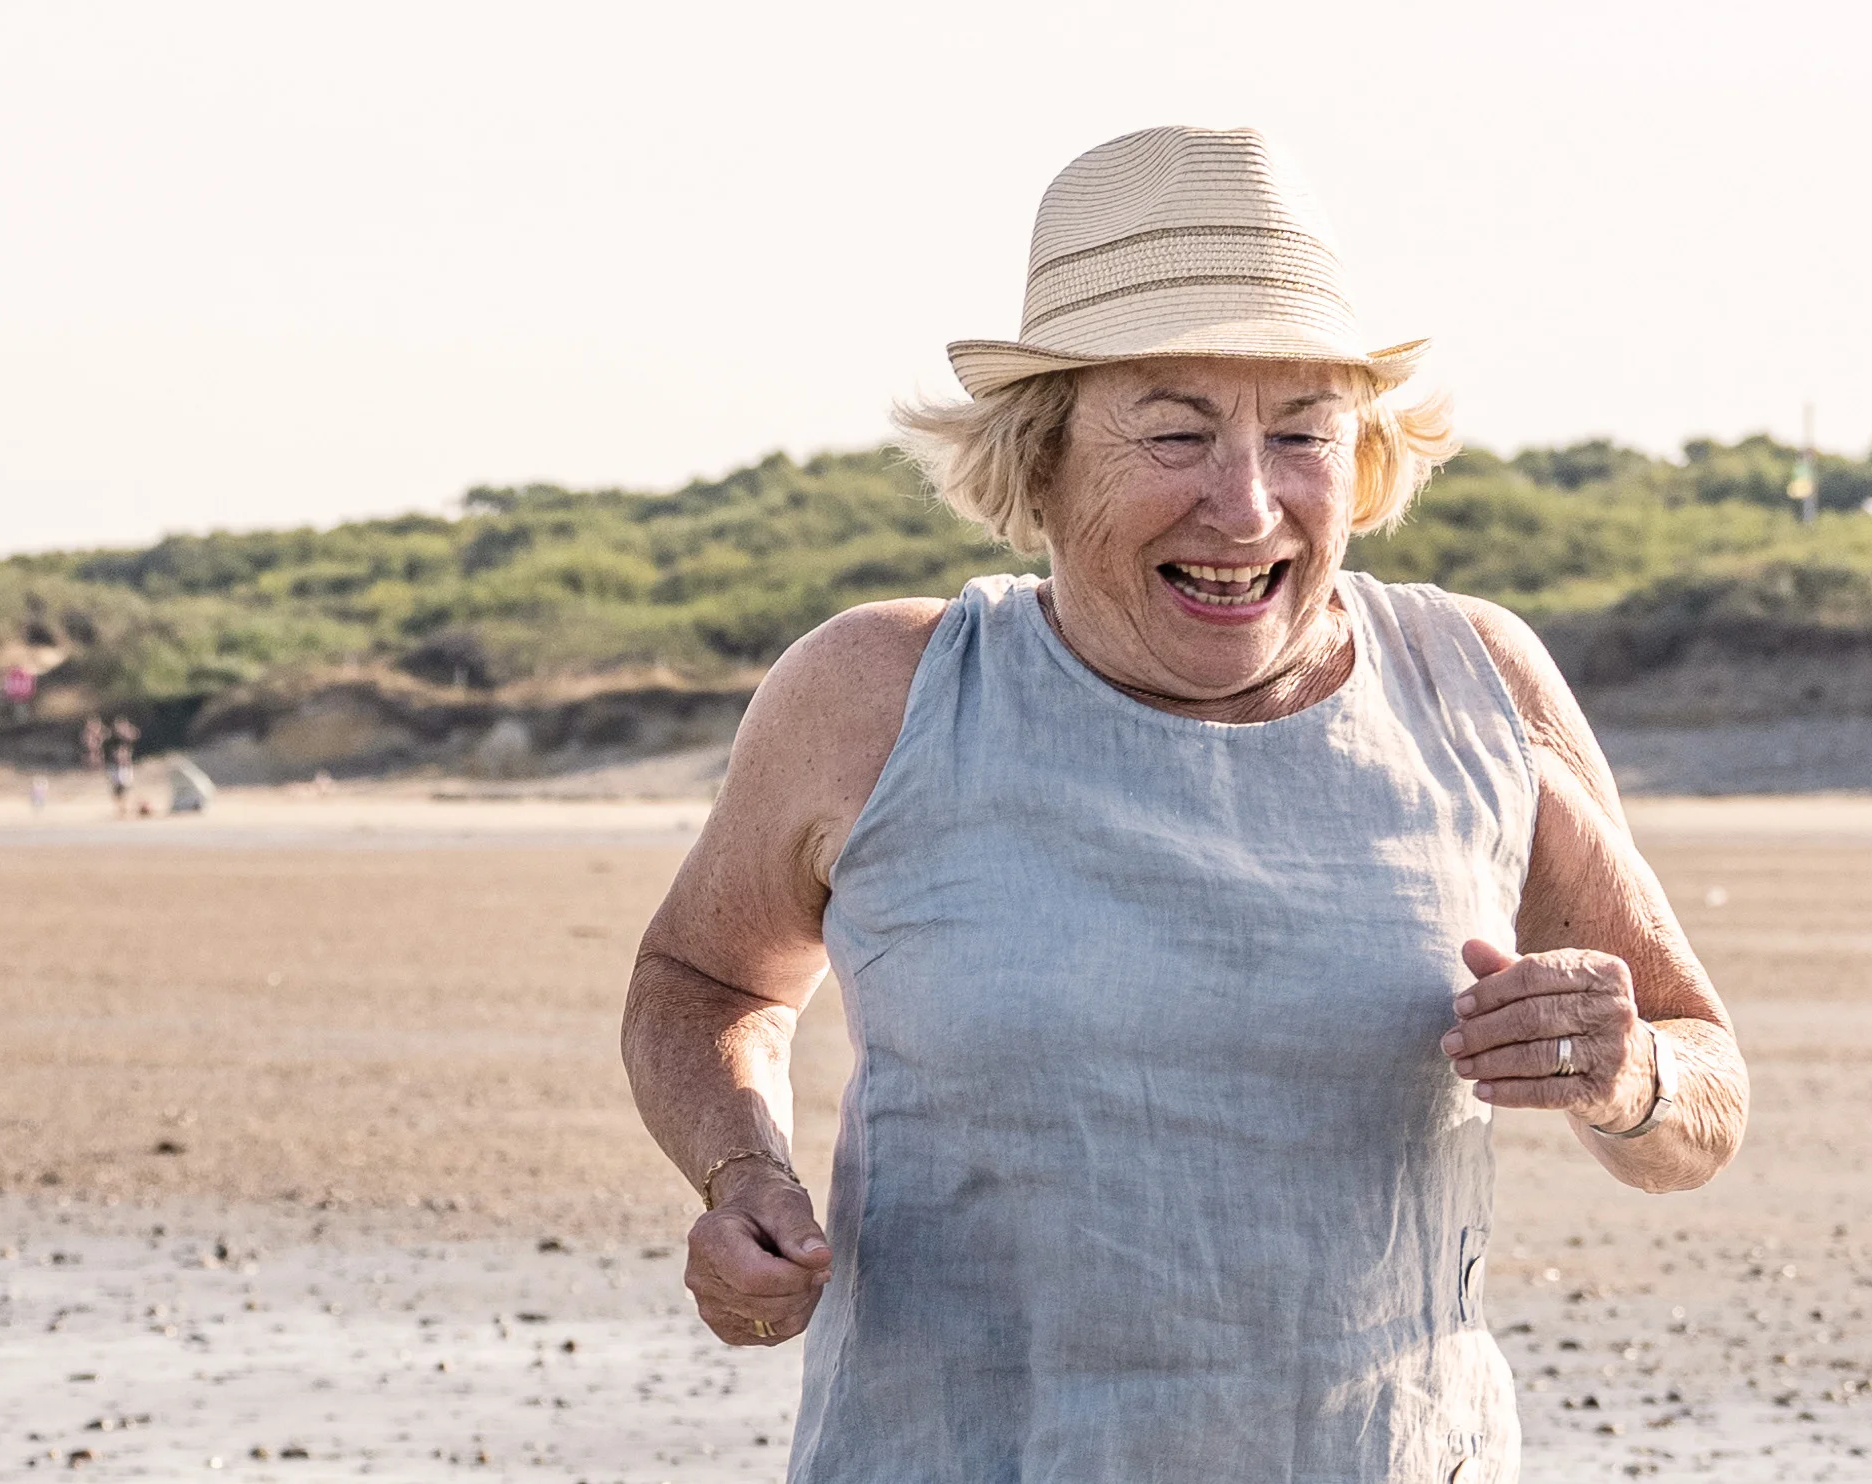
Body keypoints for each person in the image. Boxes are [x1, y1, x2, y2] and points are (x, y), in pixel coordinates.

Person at [620, 127, 1746, 1483]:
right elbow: (704, 978)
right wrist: (745, 1178)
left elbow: (1700, 1078)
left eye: (1301, 434)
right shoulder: (878, 696)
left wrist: (1628, 1076)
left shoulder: (1476, 688)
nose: (1246, 504)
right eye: (1174, 432)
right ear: (1041, 460)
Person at [105, 716, 140, 818]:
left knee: (125, 785)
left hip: (125, 766)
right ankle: (120, 807)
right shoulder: (111, 739)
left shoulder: (127, 738)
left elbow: (136, 735)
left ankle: (123, 805)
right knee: (117, 787)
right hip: (114, 765)